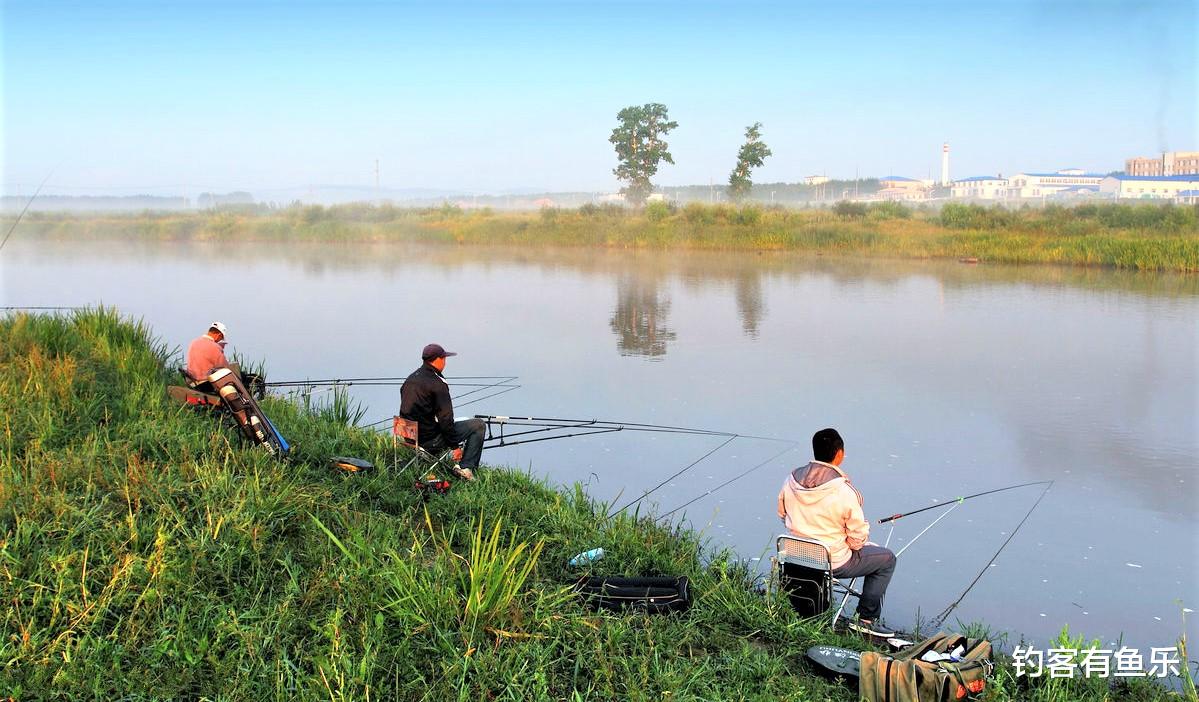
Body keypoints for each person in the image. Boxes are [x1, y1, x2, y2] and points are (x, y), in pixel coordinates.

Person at [777, 427, 898, 637]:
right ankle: (866, 620)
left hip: (794, 556)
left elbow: (782, 514)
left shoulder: (790, 480)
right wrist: (855, 546)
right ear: (839, 454)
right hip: (832, 561)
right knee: (887, 559)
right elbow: (858, 537)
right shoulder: (844, 491)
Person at [399, 343, 486, 481]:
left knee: (449, 424)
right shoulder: (438, 384)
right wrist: (454, 446)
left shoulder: (410, 379)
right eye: (444, 358)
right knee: (479, 425)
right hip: (429, 440)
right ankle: (465, 469)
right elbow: (445, 419)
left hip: (410, 437)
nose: (445, 362)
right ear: (438, 359)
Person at [186, 322, 231, 388]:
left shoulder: (193, 343)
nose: (219, 340)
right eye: (221, 338)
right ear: (219, 335)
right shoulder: (215, 347)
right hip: (205, 383)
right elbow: (224, 368)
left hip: (192, 381)